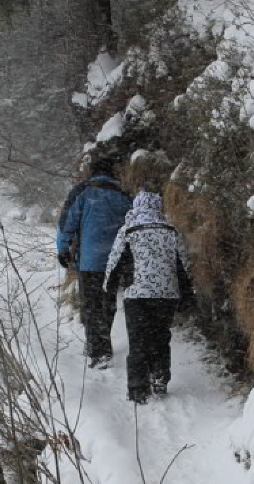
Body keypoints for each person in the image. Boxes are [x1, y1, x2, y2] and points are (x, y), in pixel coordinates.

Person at [103, 151, 193, 403]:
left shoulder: (128, 230)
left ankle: (138, 388)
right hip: (166, 295)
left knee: (138, 340)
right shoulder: (170, 230)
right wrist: (187, 295)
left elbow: (114, 262)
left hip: (137, 296)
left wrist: (107, 289)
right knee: (161, 336)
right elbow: (184, 265)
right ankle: (160, 378)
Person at [57, 153, 132, 369]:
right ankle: (103, 342)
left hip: (89, 260)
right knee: (107, 304)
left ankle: (96, 349)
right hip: (114, 261)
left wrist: (63, 249)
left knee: (90, 304)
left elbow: (66, 222)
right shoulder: (122, 194)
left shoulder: (82, 192)